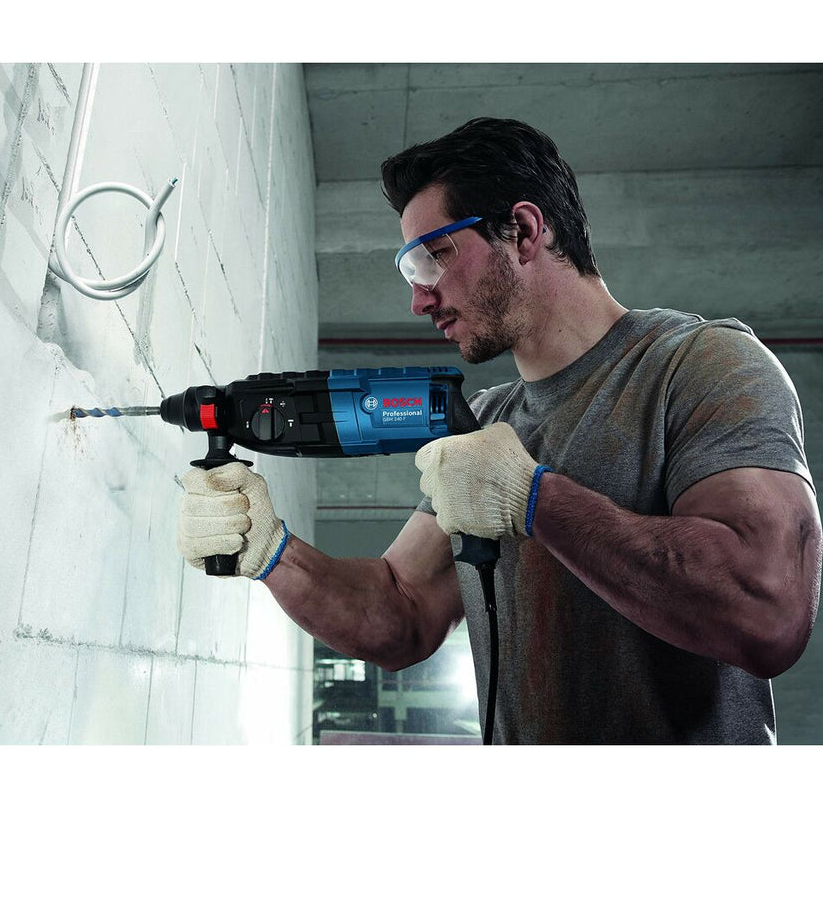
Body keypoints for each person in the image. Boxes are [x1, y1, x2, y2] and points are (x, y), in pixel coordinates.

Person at [176, 117, 822, 745]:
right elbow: (401, 610)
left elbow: (770, 608)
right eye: (411, 271)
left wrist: (534, 499)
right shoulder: (485, 422)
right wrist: (271, 551)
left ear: (523, 231)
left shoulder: (702, 365)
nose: (419, 299)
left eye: (433, 258)